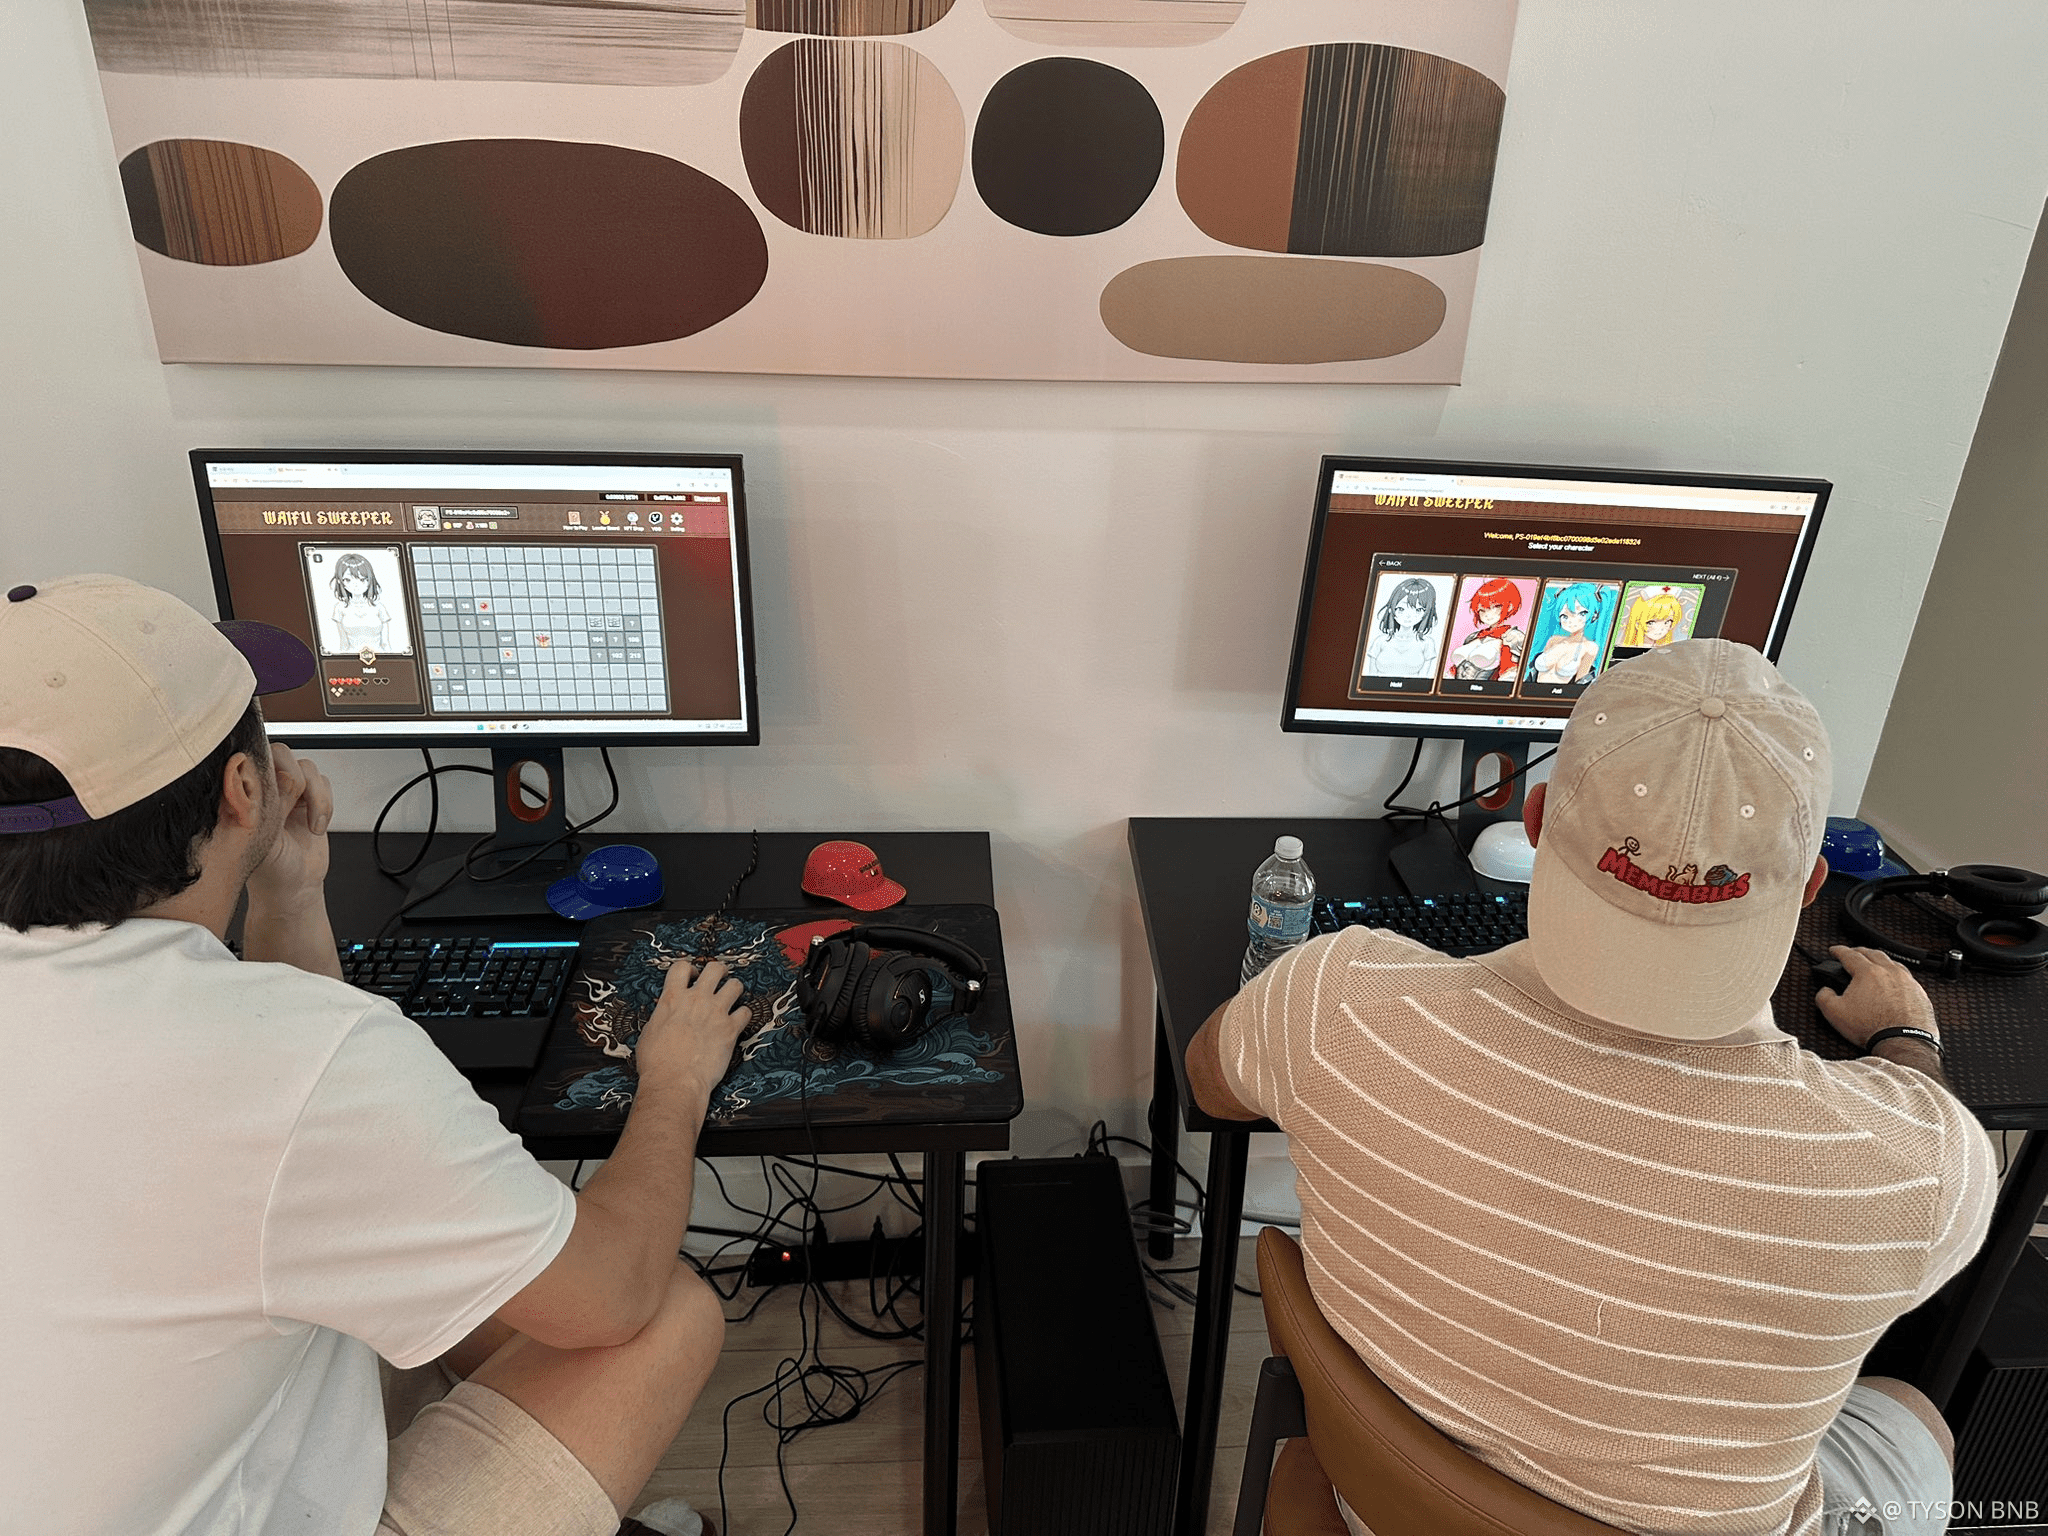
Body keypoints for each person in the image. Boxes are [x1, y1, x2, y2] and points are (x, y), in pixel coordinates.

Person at [1188, 639, 1995, 1536]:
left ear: (1536, 819)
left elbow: (1210, 1083)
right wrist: (1906, 1041)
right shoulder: (1915, 1168)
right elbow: (1916, 1203)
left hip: (1379, 1504)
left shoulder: (1334, 997)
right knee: (1909, 1416)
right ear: (1810, 884)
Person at [0, 575, 743, 1536]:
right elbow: (612, 1294)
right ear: (242, 790)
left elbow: (303, 1152)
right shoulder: (305, 1060)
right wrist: (674, 1082)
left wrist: (289, 896)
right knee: (662, 1312)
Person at [1363, 576, 1445, 680]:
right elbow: (1370, 677)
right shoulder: (1380, 641)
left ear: (1427, 613)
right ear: (1391, 609)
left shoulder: (1427, 643)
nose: (1408, 616)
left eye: (1418, 610)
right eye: (1401, 609)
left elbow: (1423, 680)